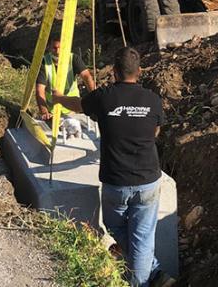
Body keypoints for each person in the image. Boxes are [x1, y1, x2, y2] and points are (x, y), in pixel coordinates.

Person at [53, 47, 173, 287]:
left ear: (115, 72)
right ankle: (156, 271)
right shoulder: (153, 100)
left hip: (116, 183)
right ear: (139, 71)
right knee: (141, 238)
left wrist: (57, 98)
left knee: (117, 227)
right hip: (148, 181)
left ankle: (144, 281)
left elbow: (78, 105)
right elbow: (155, 132)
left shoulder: (104, 97)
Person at [35, 34, 95, 121]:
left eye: (60, 48)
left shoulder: (73, 58)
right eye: (54, 48)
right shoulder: (44, 62)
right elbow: (39, 90)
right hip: (53, 112)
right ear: (49, 47)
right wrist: (44, 112)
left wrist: (95, 97)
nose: (58, 51)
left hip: (73, 110)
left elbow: (87, 76)